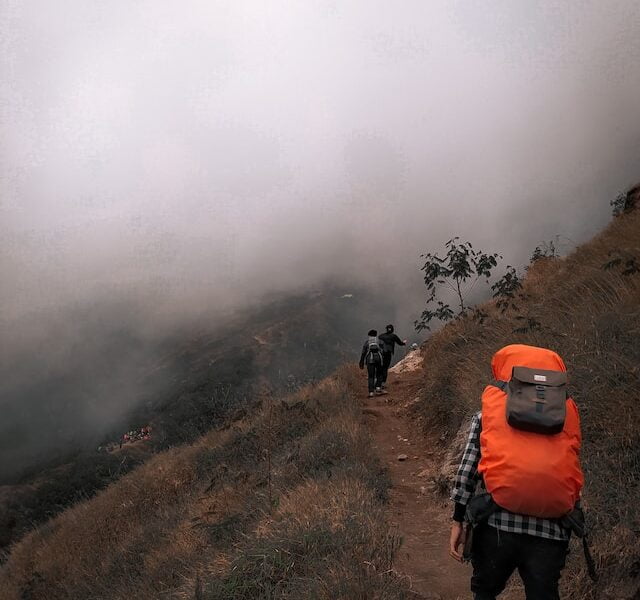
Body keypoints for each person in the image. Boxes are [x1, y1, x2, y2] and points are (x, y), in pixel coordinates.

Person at [449, 344, 585, 600]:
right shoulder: (567, 415)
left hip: (497, 525)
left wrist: (458, 519)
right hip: (550, 530)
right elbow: (571, 470)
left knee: (485, 593)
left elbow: (467, 470)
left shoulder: (487, 414)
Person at [359, 329, 385, 397]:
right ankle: (378, 388)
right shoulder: (379, 341)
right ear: (376, 335)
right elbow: (384, 350)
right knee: (379, 373)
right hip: (379, 359)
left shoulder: (367, 342)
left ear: (369, 335)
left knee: (371, 376)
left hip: (370, 359)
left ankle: (371, 392)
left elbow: (363, 353)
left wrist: (361, 362)